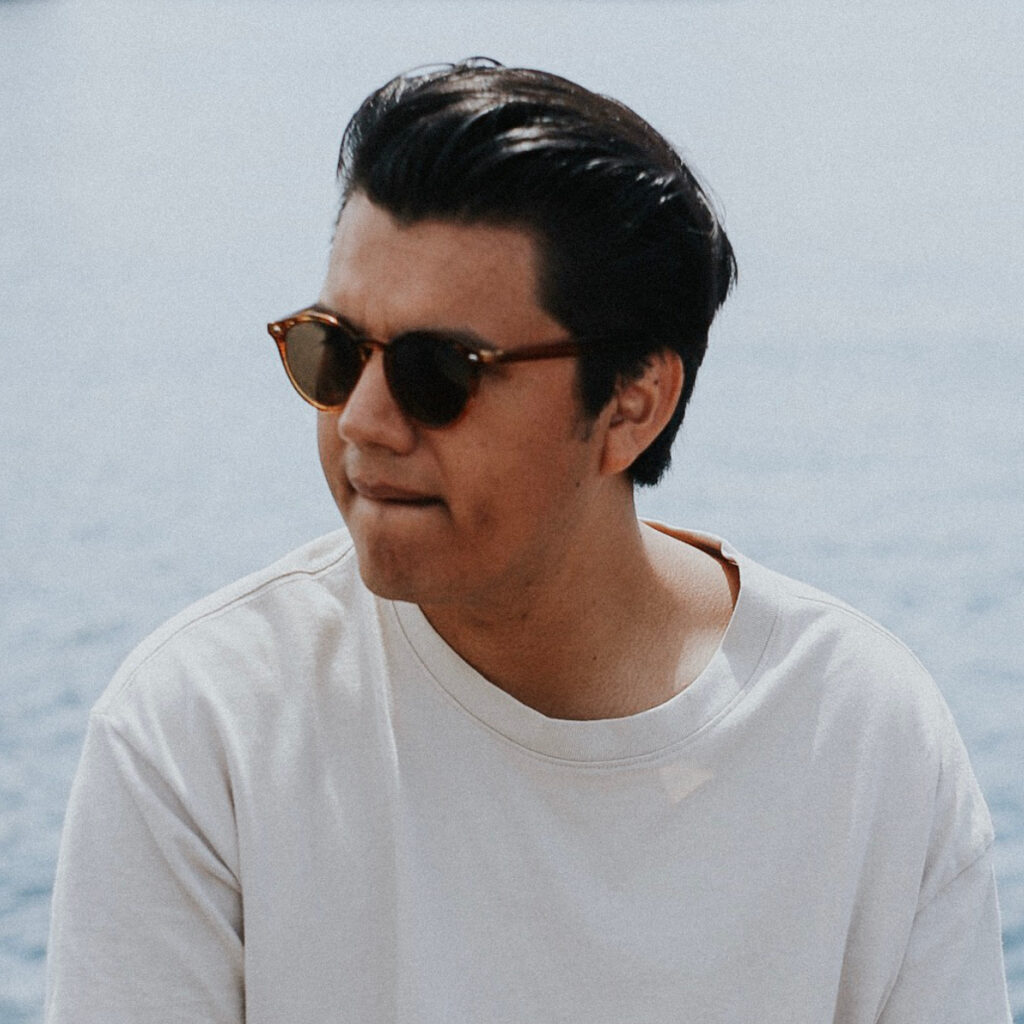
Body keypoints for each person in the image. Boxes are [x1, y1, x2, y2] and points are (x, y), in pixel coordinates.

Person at [46, 59, 1011, 1023]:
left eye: (439, 372)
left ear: (633, 404)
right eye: (333, 349)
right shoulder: (196, 733)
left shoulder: (865, 741)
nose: (364, 422)